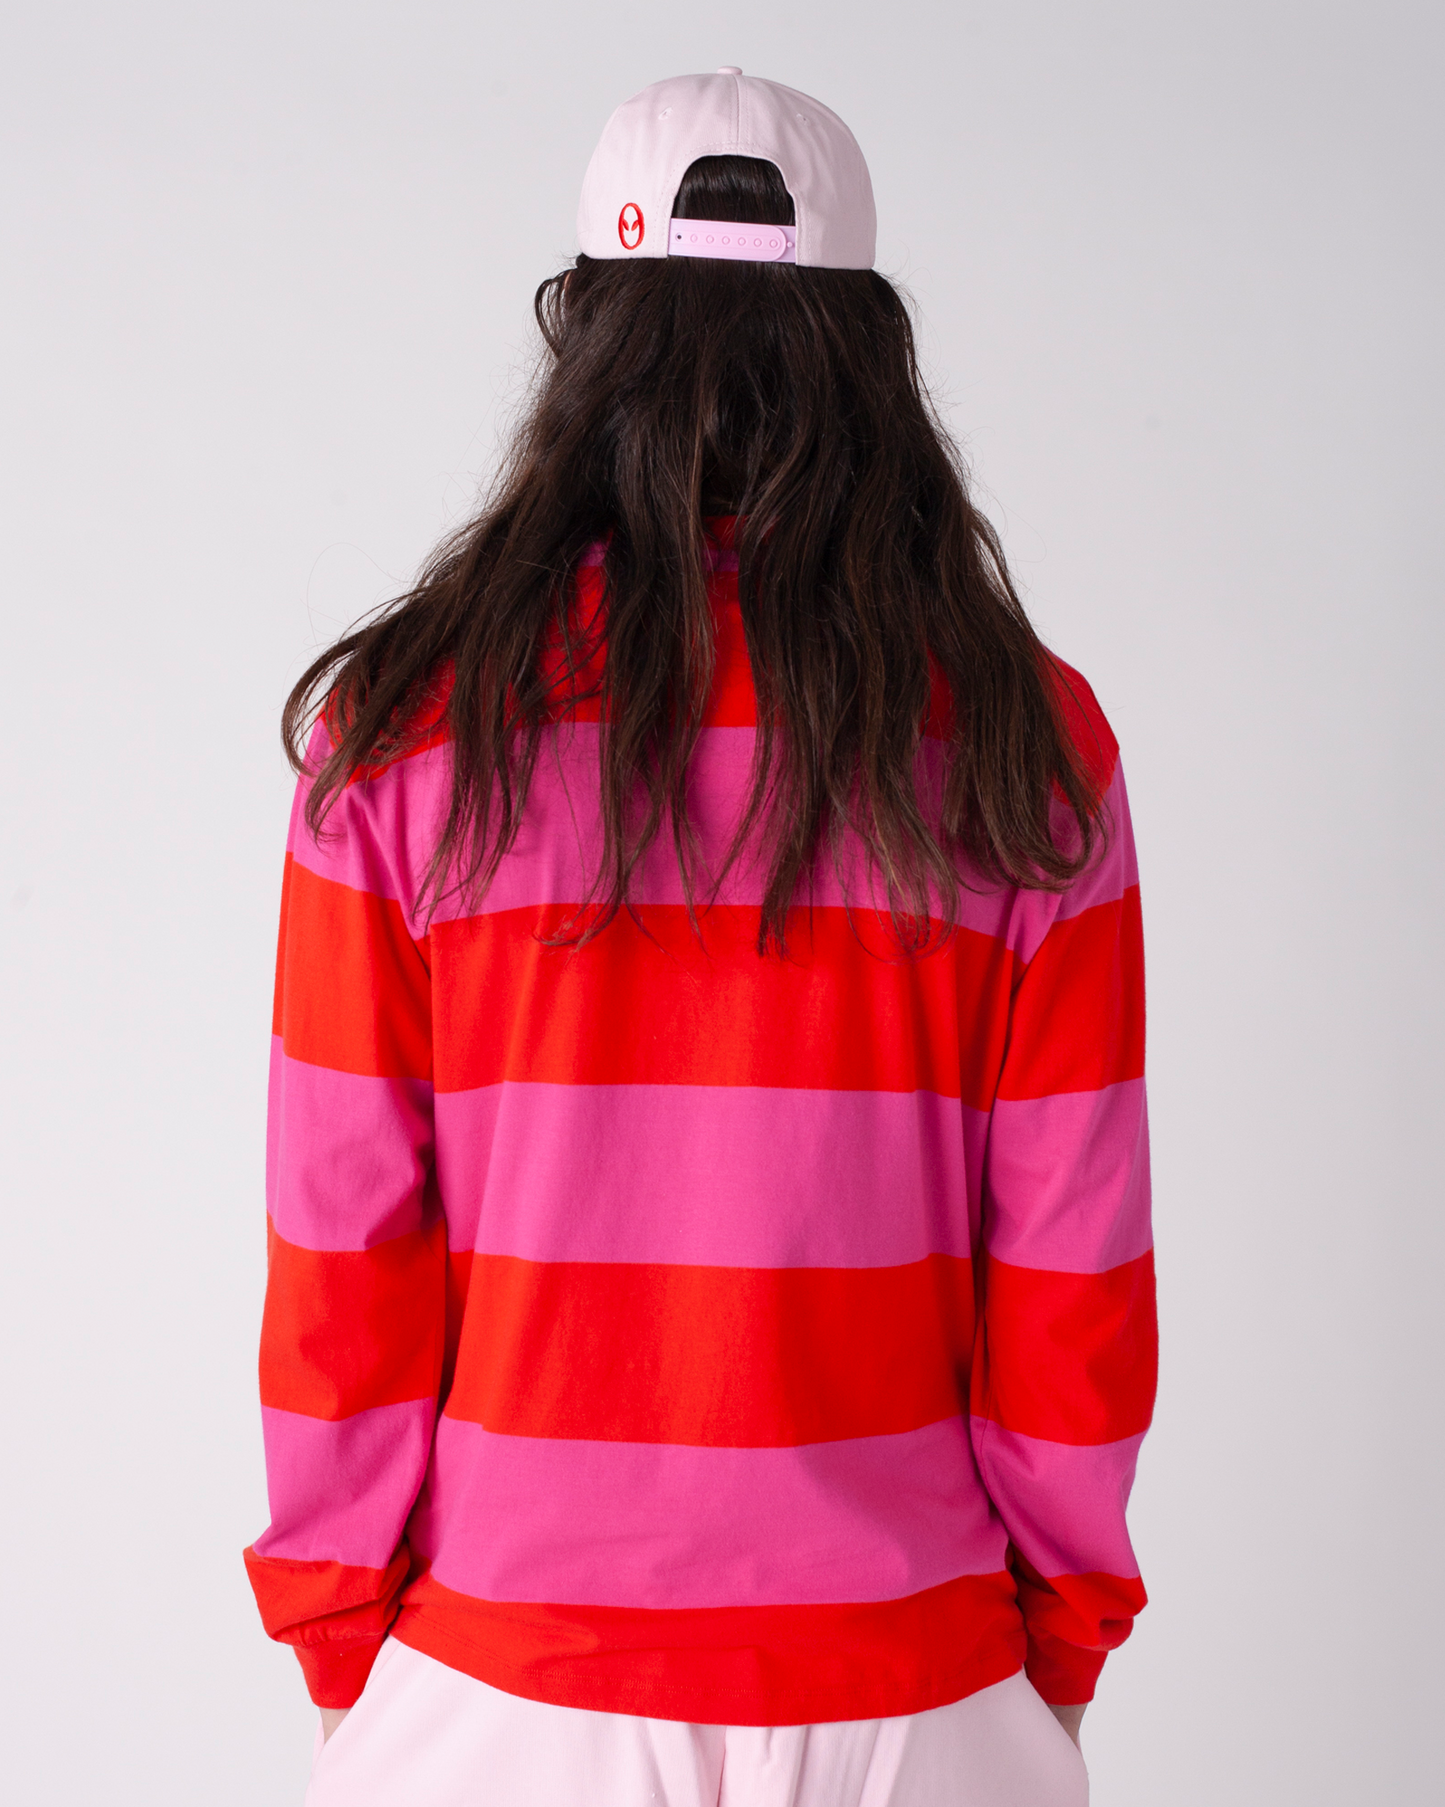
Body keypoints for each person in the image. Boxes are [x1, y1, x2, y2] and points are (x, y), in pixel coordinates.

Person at [245, 67, 1155, 1807]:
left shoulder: (408, 735)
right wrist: (1046, 1664)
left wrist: (347, 1647)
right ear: (869, 355)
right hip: (921, 1685)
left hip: (507, 1688)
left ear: (587, 337)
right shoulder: (1027, 745)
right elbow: (1073, 1266)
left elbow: (342, 1243)